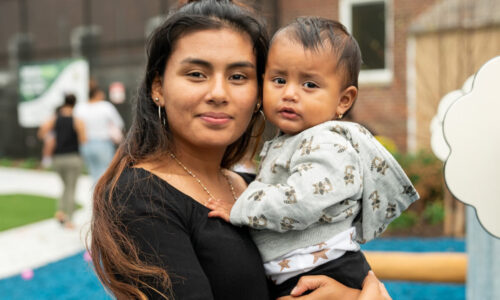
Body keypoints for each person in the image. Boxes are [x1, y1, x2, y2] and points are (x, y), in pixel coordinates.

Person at [89, 1, 391, 299]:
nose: (218, 93)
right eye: (196, 74)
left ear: (258, 92)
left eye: (238, 77)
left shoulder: (252, 184)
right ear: (158, 88)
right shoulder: (140, 196)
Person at [207, 17, 418, 298]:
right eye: (279, 80)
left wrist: (242, 209)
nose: (290, 94)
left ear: (343, 100)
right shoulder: (293, 140)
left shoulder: (328, 143)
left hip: (327, 269)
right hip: (302, 270)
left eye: (309, 85)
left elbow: (302, 200)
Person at [38, 94, 86, 228]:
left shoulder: (54, 119)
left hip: (57, 159)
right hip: (73, 158)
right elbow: (83, 139)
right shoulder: (77, 120)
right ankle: (69, 219)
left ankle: (60, 211)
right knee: (71, 188)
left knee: (65, 186)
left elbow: (42, 132)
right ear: (75, 104)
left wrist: (52, 139)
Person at [74, 83, 124, 184]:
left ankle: (95, 196)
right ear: (97, 94)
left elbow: (77, 126)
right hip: (103, 143)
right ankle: (102, 197)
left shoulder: (80, 108)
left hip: (86, 144)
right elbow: (119, 123)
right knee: (105, 173)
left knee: (94, 173)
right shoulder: (105, 106)